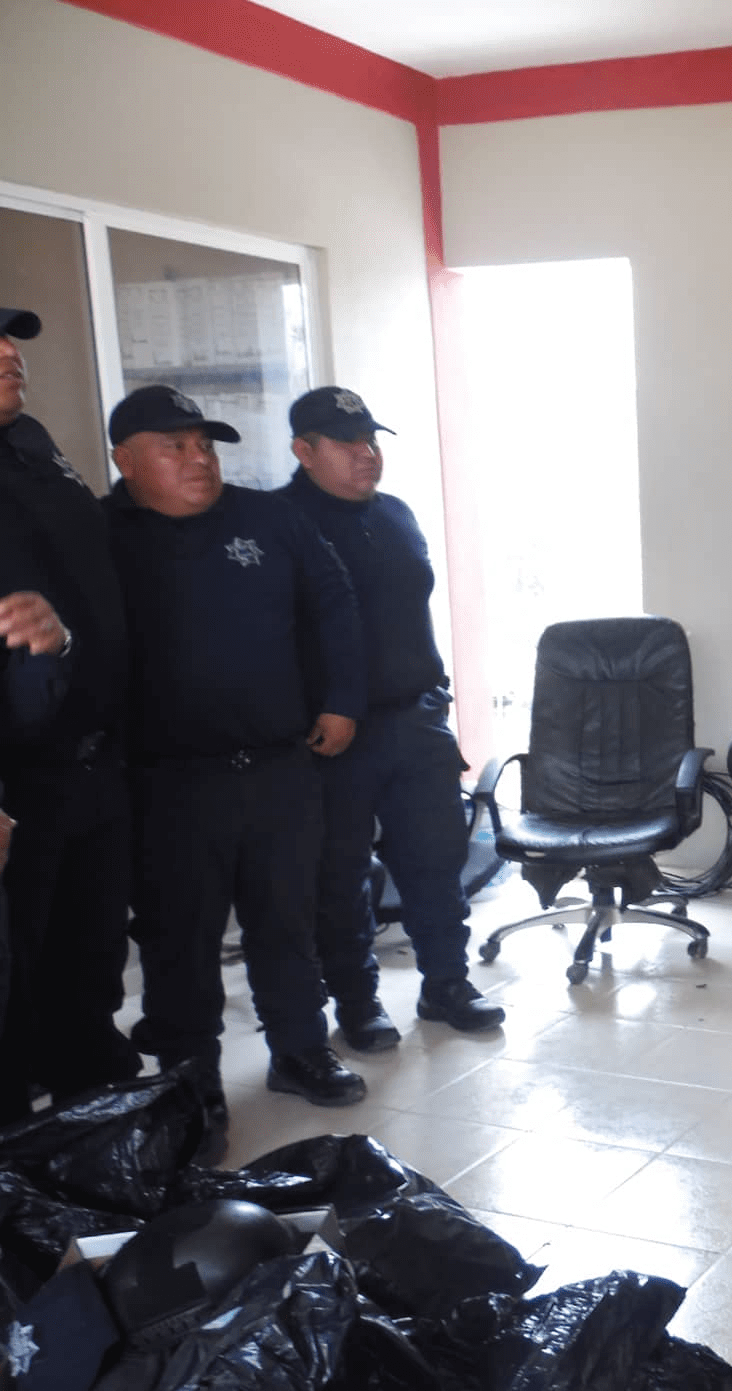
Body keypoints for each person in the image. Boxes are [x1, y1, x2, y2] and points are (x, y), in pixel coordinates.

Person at [103, 383, 371, 1130]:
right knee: (179, 941)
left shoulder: (267, 518)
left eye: (205, 446)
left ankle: (300, 1050)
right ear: (126, 460)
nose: (199, 460)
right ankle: (191, 1081)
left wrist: (342, 699)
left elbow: (335, 605)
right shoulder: (100, 536)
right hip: (170, 783)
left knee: (286, 922)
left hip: (280, 766)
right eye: (174, 448)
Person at [278, 386, 502, 1049]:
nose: (366, 454)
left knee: (435, 862)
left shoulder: (396, 513)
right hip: (336, 734)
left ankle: (447, 984)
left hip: (416, 720)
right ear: (304, 451)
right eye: (347, 444)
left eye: (371, 441)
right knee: (342, 877)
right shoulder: (281, 524)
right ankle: (358, 1004)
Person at [0, 305, 141, 1122]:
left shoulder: (32, 444)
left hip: (91, 754)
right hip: (17, 779)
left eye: (9, 339)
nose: (9, 353)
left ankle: (96, 1123)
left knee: (91, 952)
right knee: (17, 973)